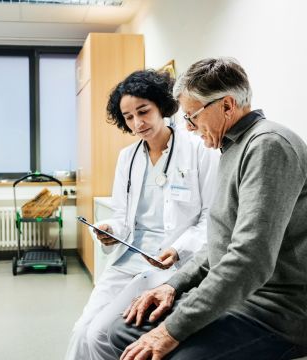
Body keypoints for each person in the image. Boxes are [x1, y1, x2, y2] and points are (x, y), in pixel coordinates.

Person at [107, 57, 307, 360]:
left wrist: (172, 330)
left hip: (281, 315)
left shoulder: (268, 147)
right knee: (122, 330)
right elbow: (220, 243)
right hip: (242, 299)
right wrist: (173, 286)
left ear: (227, 106)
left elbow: (248, 260)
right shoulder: (231, 148)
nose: (188, 127)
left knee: (169, 355)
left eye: (192, 116)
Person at [65, 70, 219, 360]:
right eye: (128, 117)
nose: (138, 123)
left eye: (143, 111)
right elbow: (123, 217)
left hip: (167, 266)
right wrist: (109, 229)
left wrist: (177, 249)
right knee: (81, 330)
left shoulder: (198, 150)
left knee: (99, 334)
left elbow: (210, 218)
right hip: (128, 259)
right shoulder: (128, 157)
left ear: (162, 105)